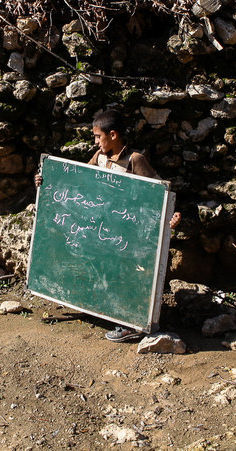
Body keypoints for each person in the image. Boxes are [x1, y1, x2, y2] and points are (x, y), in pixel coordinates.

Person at [37, 108, 180, 343]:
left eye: (97, 136)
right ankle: (104, 309)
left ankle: (132, 324)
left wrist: (170, 217)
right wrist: (46, 180)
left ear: (113, 135)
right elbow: (80, 180)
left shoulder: (135, 160)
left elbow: (158, 194)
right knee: (104, 270)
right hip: (102, 230)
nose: (95, 141)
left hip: (128, 233)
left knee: (127, 275)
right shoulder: (99, 157)